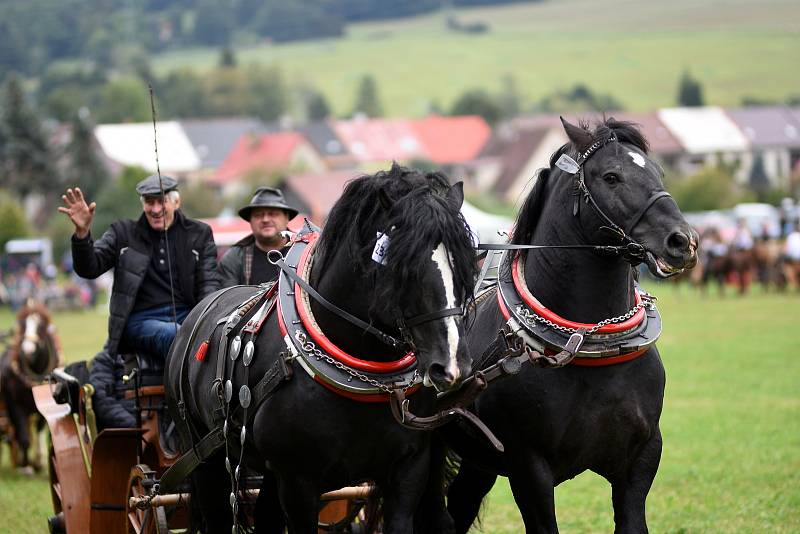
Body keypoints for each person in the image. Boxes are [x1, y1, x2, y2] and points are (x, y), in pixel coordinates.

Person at [59, 176, 221, 428]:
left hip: (189, 317)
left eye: (161, 201)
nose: (155, 209)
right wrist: (82, 235)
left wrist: (208, 325)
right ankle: (202, 401)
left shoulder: (199, 235)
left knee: (215, 337)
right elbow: (90, 267)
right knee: (175, 336)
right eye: (149, 202)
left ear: (176, 202)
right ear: (142, 204)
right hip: (140, 322)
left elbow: (209, 287)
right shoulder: (123, 233)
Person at [218, 187, 299, 287]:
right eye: (258, 215)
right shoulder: (234, 258)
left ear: (286, 218)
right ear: (250, 221)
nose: (265, 219)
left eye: (272, 214)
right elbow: (228, 299)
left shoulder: (304, 253)